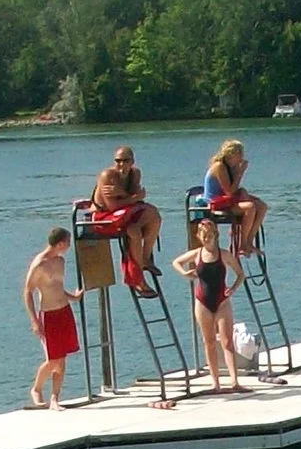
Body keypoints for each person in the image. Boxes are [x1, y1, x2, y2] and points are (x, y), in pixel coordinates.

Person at [172, 220, 242, 393]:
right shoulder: (197, 254)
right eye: (203, 237)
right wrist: (185, 274)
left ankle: (234, 381)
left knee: (227, 342)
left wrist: (232, 288)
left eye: (209, 237)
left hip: (222, 301)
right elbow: (176, 262)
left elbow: (240, 275)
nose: (206, 240)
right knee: (209, 342)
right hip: (202, 302)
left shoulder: (224, 254)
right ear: (199, 237)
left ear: (215, 236)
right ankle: (215, 382)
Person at [23, 227, 80, 410]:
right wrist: (34, 320)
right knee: (53, 359)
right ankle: (36, 388)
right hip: (48, 314)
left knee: (62, 360)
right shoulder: (40, 264)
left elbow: (57, 287)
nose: (69, 246)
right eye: (68, 243)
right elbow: (28, 291)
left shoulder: (60, 261)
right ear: (61, 243)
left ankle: (55, 399)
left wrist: (73, 297)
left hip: (64, 310)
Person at [90, 145, 161, 284]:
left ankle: (145, 258)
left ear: (132, 162)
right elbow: (113, 206)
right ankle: (137, 278)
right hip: (103, 218)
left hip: (124, 215)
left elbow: (136, 200)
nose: (121, 164)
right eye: (118, 161)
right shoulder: (108, 176)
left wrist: (122, 194)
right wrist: (133, 197)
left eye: (125, 160)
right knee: (133, 231)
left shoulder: (135, 174)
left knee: (154, 216)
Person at [203, 138, 267, 257]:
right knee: (250, 207)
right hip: (217, 203)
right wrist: (240, 173)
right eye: (240, 154)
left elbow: (234, 191)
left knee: (261, 206)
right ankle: (242, 245)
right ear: (232, 154)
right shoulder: (220, 167)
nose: (242, 157)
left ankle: (249, 241)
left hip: (227, 201)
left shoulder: (230, 167)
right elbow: (230, 192)